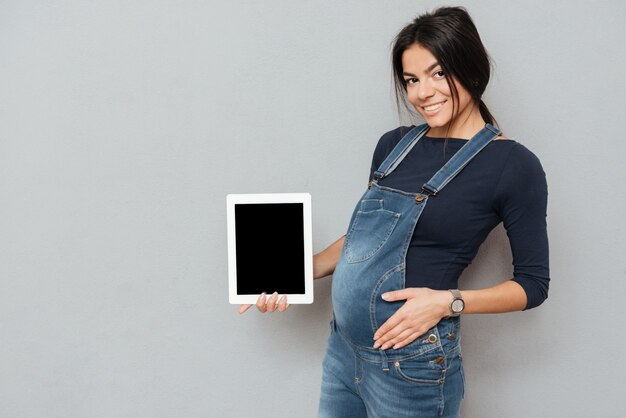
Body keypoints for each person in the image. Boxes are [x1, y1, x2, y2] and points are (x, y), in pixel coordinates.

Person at [239, 6, 549, 417]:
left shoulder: (511, 164)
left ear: (471, 69)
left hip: (411, 367)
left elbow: (533, 285)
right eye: (411, 80)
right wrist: (294, 272)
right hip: (343, 352)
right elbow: (368, 238)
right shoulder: (394, 146)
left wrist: (448, 303)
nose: (423, 92)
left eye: (438, 73)